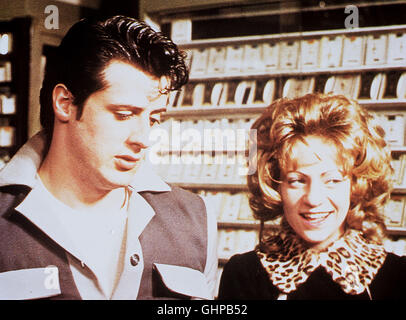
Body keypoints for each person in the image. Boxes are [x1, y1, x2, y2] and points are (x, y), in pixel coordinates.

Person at [0, 15, 217, 300]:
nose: (142, 138)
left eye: (154, 119)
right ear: (64, 103)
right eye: (124, 115)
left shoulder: (196, 220)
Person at [218, 93, 406, 300]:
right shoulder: (244, 274)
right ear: (275, 186)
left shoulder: (397, 277)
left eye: (332, 180)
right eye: (297, 180)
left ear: (356, 185)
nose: (314, 199)